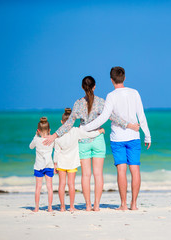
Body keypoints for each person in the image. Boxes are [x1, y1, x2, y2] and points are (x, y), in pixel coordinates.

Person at [43, 76, 139, 211]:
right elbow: (114, 118)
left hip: (83, 141)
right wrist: (130, 125)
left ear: (82, 87)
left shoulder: (78, 103)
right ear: (94, 87)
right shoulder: (101, 102)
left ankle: (88, 205)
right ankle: (97, 206)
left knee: (86, 175)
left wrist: (54, 135)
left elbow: (69, 124)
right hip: (98, 139)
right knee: (98, 174)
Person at [82, 66, 151, 211]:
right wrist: (147, 135)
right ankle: (134, 205)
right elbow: (141, 115)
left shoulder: (111, 96)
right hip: (134, 137)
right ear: (124, 77)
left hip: (117, 138)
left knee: (121, 171)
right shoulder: (135, 93)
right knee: (135, 169)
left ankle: (123, 204)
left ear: (111, 80)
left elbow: (104, 117)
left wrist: (85, 128)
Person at [54, 108, 104, 212]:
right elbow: (89, 135)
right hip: (72, 164)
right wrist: (99, 131)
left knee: (62, 184)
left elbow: (56, 151)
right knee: (71, 184)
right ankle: (72, 207)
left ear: (62, 122)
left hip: (61, 164)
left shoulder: (58, 137)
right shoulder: (76, 131)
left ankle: (63, 207)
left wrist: (55, 164)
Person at [29, 117, 54, 212]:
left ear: (38, 130)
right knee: (49, 187)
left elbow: (30, 147)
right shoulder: (51, 140)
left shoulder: (36, 140)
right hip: (49, 166)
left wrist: (35, 136)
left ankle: (36, 207)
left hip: (38, 167)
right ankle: (50, 207)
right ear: (49, 130)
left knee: (38, 187)